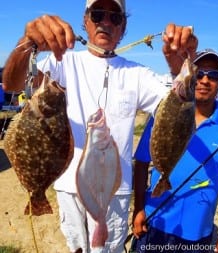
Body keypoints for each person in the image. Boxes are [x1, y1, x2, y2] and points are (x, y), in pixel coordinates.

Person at [2, 0, 198, 252]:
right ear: (85, 20)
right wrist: (26, 44)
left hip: (115, 190)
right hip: (69, 187)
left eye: (115, 17)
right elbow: (14, 83)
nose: (106, 21)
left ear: (123, 26)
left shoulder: (138, 73)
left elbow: (176, 108)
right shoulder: (61, 62)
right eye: (98, 14)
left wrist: (178, 65)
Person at [132, 48, 218, 252]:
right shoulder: (164, 113)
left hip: (198, 231)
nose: (204, 80)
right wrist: (138, 208)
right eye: (199, 73)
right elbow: (141, 162)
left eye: (214, 75)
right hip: (154, 220)